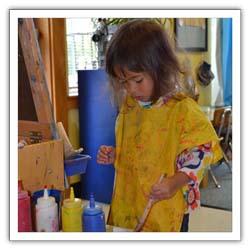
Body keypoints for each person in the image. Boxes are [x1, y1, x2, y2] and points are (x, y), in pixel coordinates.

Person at [97, 19, 223, 232]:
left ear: (160, 68)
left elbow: (201, 152)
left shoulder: (181, 109)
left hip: (166, 207)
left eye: (137, 80)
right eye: (124, 82)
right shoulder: (131, 107)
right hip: (132, 202)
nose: (131, 89)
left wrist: (175, 181)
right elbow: (143, 149)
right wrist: (117, 154)